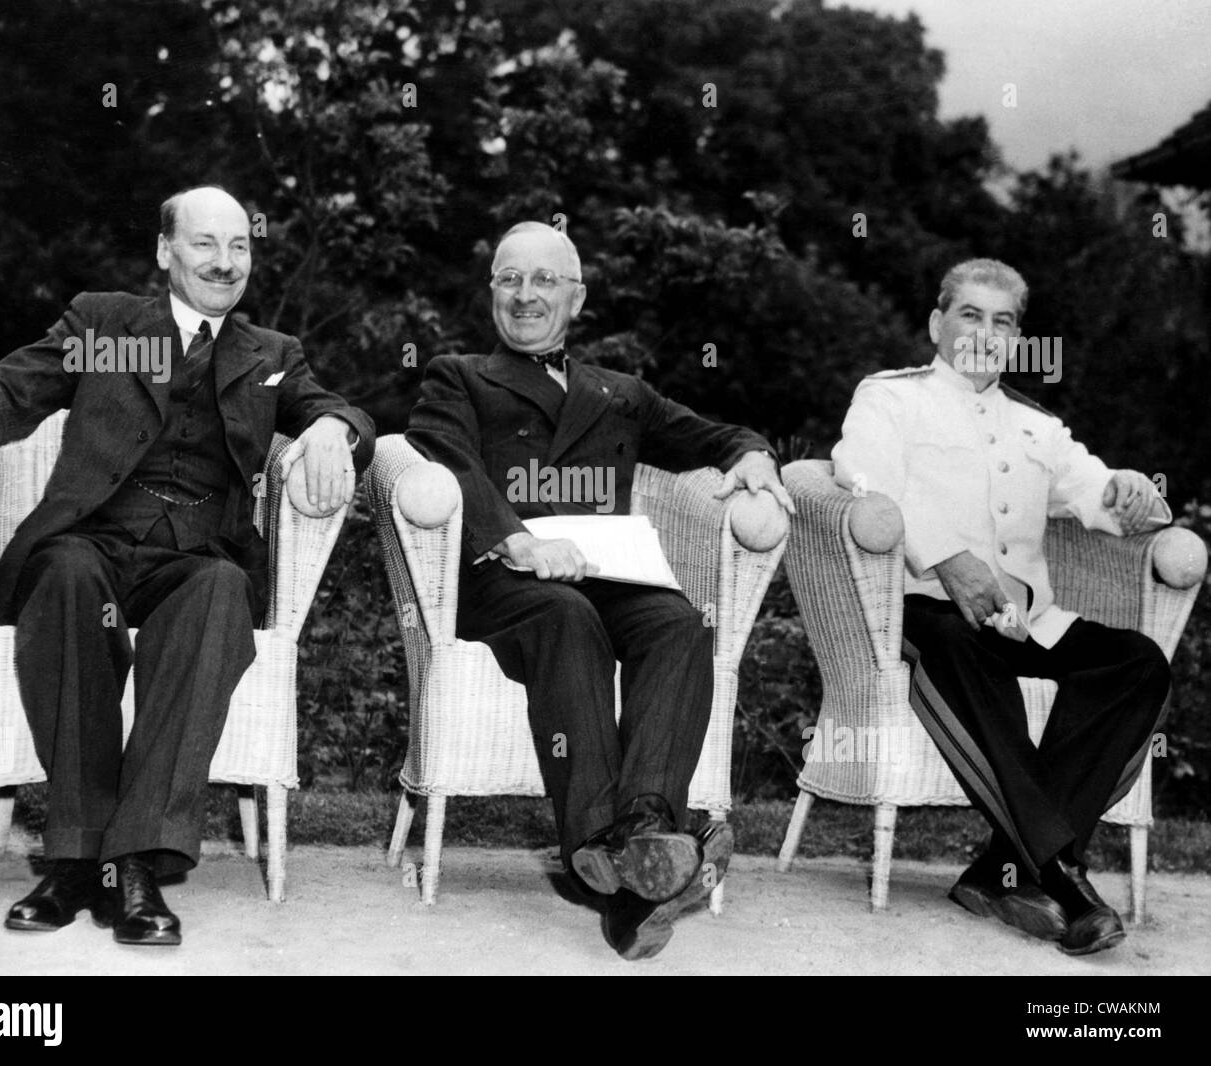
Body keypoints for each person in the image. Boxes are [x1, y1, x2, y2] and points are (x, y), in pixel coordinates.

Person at [0, 185, 375, 946]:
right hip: (90, 538)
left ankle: (133, 862)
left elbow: (345, 409)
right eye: (205, 244)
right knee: (64, 577)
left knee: (222, 592)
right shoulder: (106, 322)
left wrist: (331, 428)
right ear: (166, 252)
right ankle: (73, 857)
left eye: (239, 247)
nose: (224, 263)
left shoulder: (271, 354)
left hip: (197, 554)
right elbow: (10, 383)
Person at [405, 221, 791, 959]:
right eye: (509, 279)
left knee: (679, 624)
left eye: (543, 281)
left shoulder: (619, 392)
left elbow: (713, 435)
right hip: (505, 580)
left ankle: (640, 835)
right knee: (565, 616)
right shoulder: (458, 375)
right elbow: (449, 461)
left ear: (576, 298)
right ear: (491, 293)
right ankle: (617, 855)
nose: (524, 296)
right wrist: (519, 539)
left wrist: (755, 455)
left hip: (608, 569)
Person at [831, 258, 1171, 956]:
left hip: (1025, 620)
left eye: (1003, 321)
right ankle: (1064, 881)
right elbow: (859, 477)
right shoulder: (891, 398)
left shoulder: (1035, 424)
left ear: (1017, 337)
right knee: (960, 649)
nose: (986, 332)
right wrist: (945, 558)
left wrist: (1129, 488)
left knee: (1137, 662)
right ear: (938, 322)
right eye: (970, 315)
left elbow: (1096, 491)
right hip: (922, 608)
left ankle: (998, 870)